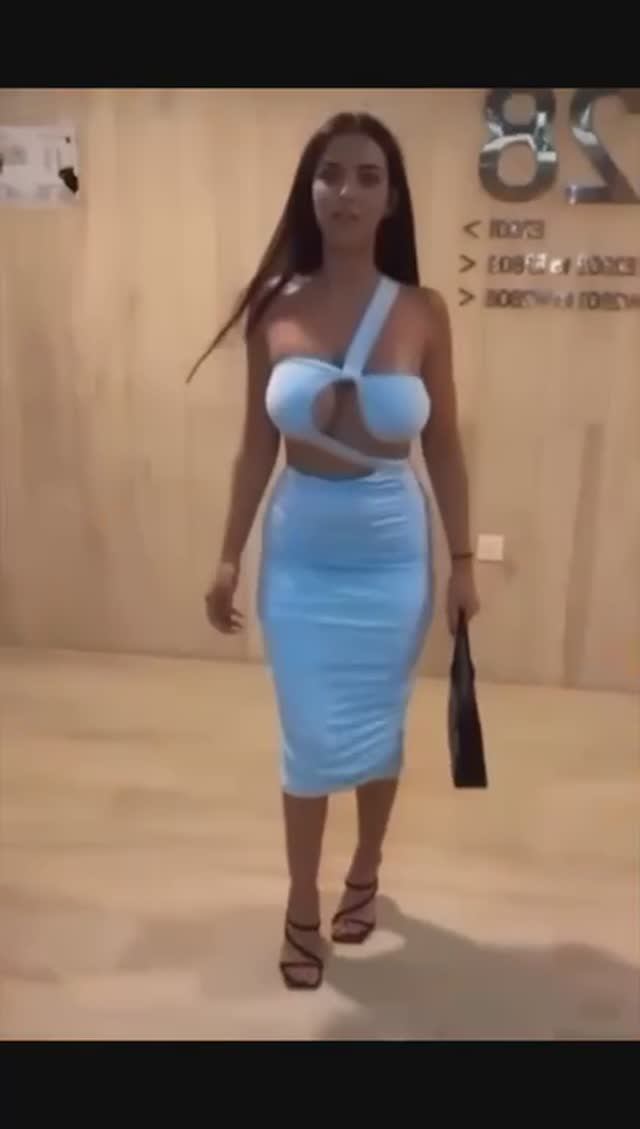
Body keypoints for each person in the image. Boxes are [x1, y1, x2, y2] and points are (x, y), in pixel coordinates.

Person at [187, 111, 480, 990]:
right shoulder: (274, 306)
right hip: (302, 550)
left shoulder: (423, 312)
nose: (346, 191)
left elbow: (446, 445)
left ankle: (366, 870)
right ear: (309, 190)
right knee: (310, 735)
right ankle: (301, 903)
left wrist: (464, 562)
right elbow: (255, 446)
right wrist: (228, 554)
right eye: (331, 174)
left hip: (392, 550)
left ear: (391, 199)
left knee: (379, 724)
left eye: (367, 176)